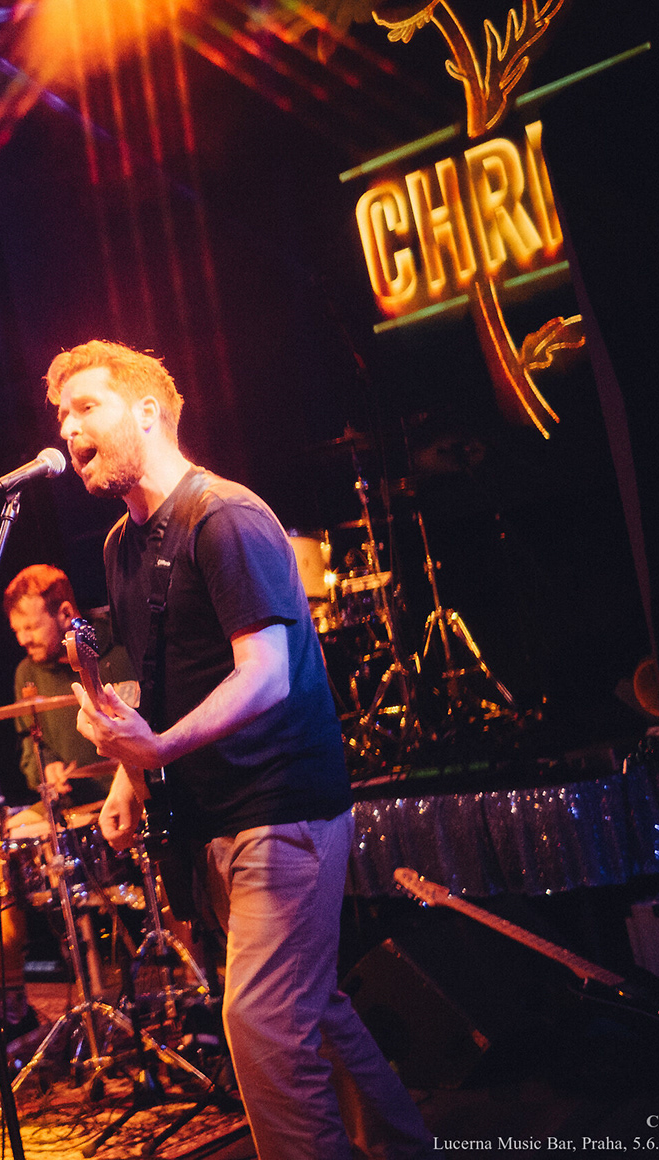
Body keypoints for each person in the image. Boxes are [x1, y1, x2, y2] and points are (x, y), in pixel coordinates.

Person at [49, 341, 431, 1160]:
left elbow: (266, 676)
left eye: (86, 407)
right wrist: (128, 777)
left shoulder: (223, 516)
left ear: (147, 412)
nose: (67, 428)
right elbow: (157, 679)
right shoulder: (120, 546)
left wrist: (159, 749)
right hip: (211, 816)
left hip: (281, 808)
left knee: (259, 1022)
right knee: (308, 1009)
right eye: (60, 415)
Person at [1, 564, 134, 801]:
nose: (23, 640)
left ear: (65, 613)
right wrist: (46, 766)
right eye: (17, 630)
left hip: (136, 792)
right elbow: (32, 746)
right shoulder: (27, 674)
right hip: (74, 804)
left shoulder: (123, 648)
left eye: (31, 627)